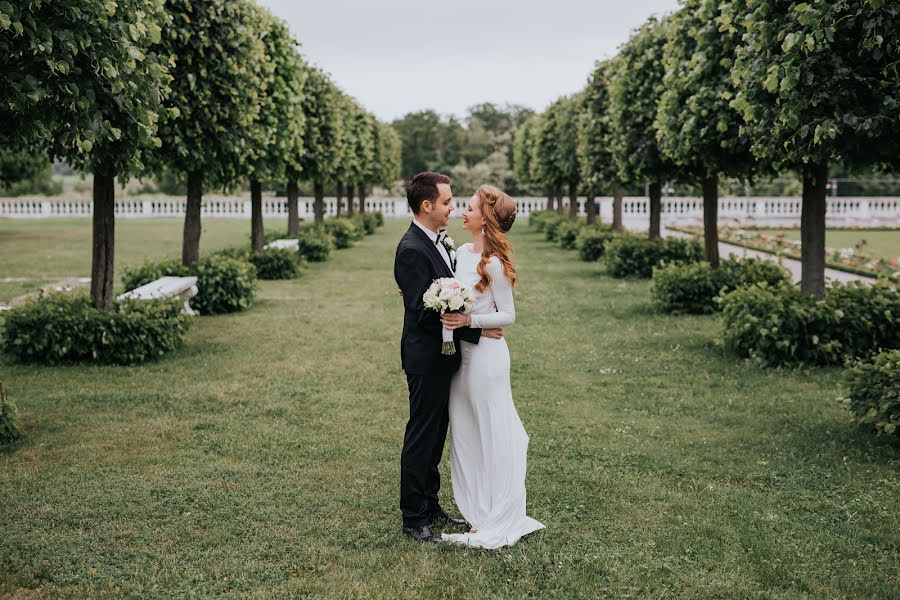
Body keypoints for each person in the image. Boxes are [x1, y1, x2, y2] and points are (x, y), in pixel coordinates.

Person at [393, 172, 503, 543]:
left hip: (444, 357)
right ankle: (413, 517)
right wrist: (477, 328)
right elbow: (423, 313)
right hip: (425, 358)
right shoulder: (411, 249)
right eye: (447, 202)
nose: (452, 208)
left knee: (437, 433)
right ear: (427, 206)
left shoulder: (438, 242)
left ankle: (430, 504)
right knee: (422, 435)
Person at [439, 184, 544, 549]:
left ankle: (495, 514)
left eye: (468, 209)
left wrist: (471, 323)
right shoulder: (459, 253)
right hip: (461, 359)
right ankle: (476, 511)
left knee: (490, 431)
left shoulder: (494, 264)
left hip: (487, 358)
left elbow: (509, 315)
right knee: (465, 430)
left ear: (485, 221)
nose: (462, 213)